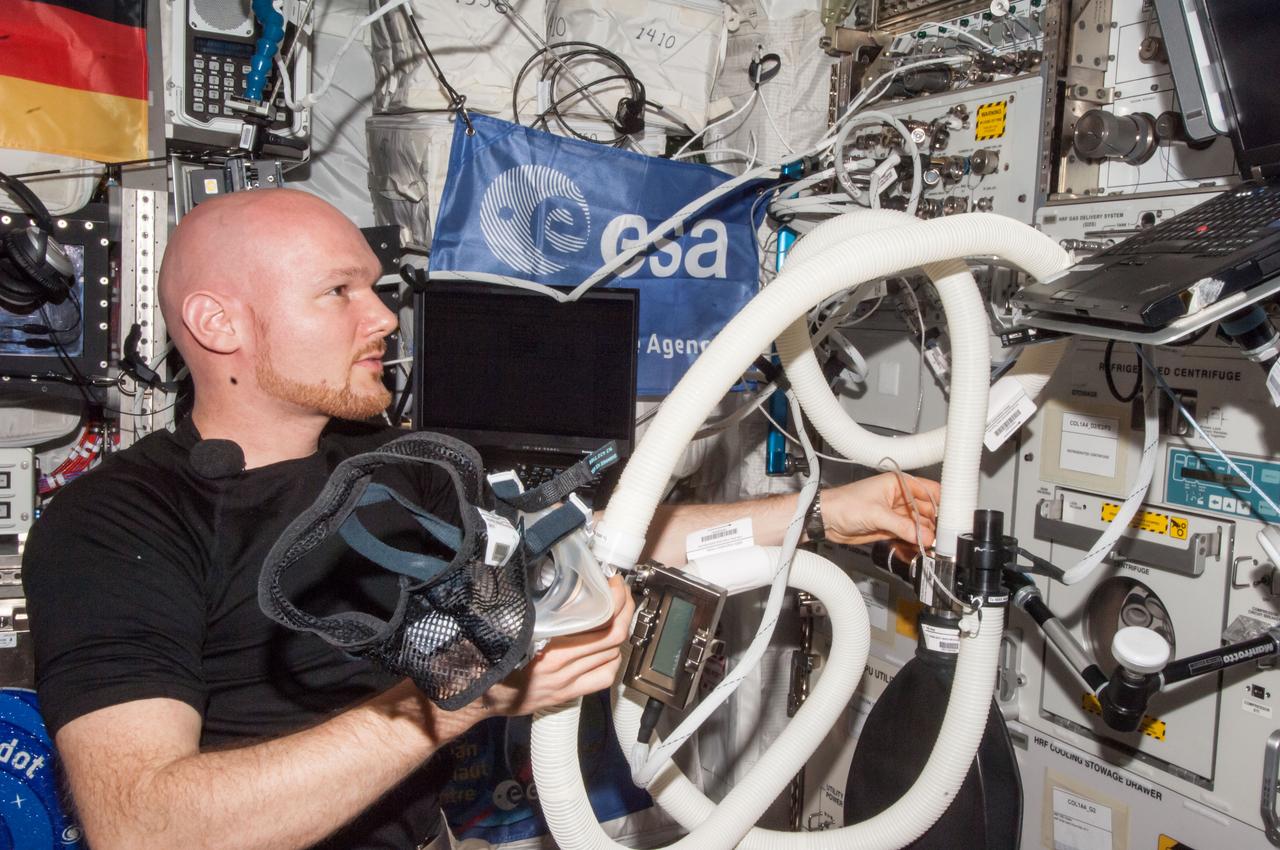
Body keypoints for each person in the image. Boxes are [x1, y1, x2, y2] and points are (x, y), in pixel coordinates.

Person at [22, 189, 939, 850]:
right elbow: (142, 826)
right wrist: (462, 692)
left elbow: (603, 545)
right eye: (338, 293)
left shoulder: (392, 467)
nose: (382, 315)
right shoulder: (116, 526)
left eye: (376, 288)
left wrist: (823, 513)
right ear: (219, 322)